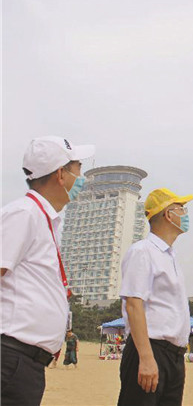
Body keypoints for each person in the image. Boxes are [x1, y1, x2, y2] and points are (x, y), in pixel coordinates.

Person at [1, 136, 94, 405]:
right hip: (10, 356)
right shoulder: (24, 213)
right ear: (60, 174)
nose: (81, 178)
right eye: (78, 169)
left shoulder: (43, 219)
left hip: (25, 361)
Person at [117, 188, 193, 406]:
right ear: (168, 214)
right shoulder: (143, 251)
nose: (186, 214)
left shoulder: (170, 256)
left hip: (174, 356)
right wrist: (146, 357)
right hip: (151, 350)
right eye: (182, 209)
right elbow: (133, 304)